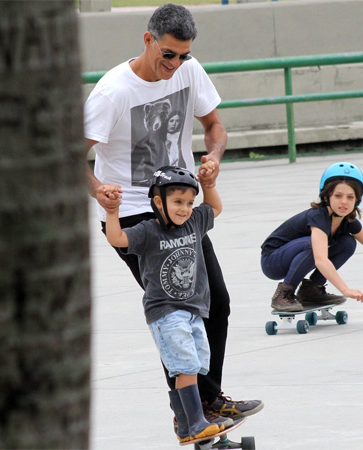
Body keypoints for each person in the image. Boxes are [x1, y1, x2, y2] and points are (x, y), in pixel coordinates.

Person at [83, 3, 262, 426]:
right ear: (148, 41)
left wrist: (213, 156)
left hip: (179, 208)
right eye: (169, 54)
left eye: (184, 56)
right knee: (174, 314)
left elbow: (214, 125)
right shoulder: (113, 92)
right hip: (132, 215)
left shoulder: (189, 70)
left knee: (215, 301)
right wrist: (99, 191)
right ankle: (189, 415)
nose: (176, 64)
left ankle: (209, 401)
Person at [104, 166, 221, 442]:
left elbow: (214, 207)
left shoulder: (194, 223)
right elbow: (117, 238)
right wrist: (112, 212)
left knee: (195, 363)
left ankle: (184, 424)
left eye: (190, 202)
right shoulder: (148, 232)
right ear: (159, 202)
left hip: (193, 310)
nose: (185, 209)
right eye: (178, 202)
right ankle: (196, 423)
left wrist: (209, 184)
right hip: (165, 311)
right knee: (185, 366)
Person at [261, 162, 363, 311]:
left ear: (357, 200)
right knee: (313, 245)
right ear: (326, 196)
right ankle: (284, 293)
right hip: (273, 261)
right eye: (338, 196)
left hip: (299, 256)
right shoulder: (318, 217)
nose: (344, 202)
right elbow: (320, 259)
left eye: (350, 197)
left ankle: (312, 290)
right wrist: (345, 289)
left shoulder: (348, 220)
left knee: (348, 242)